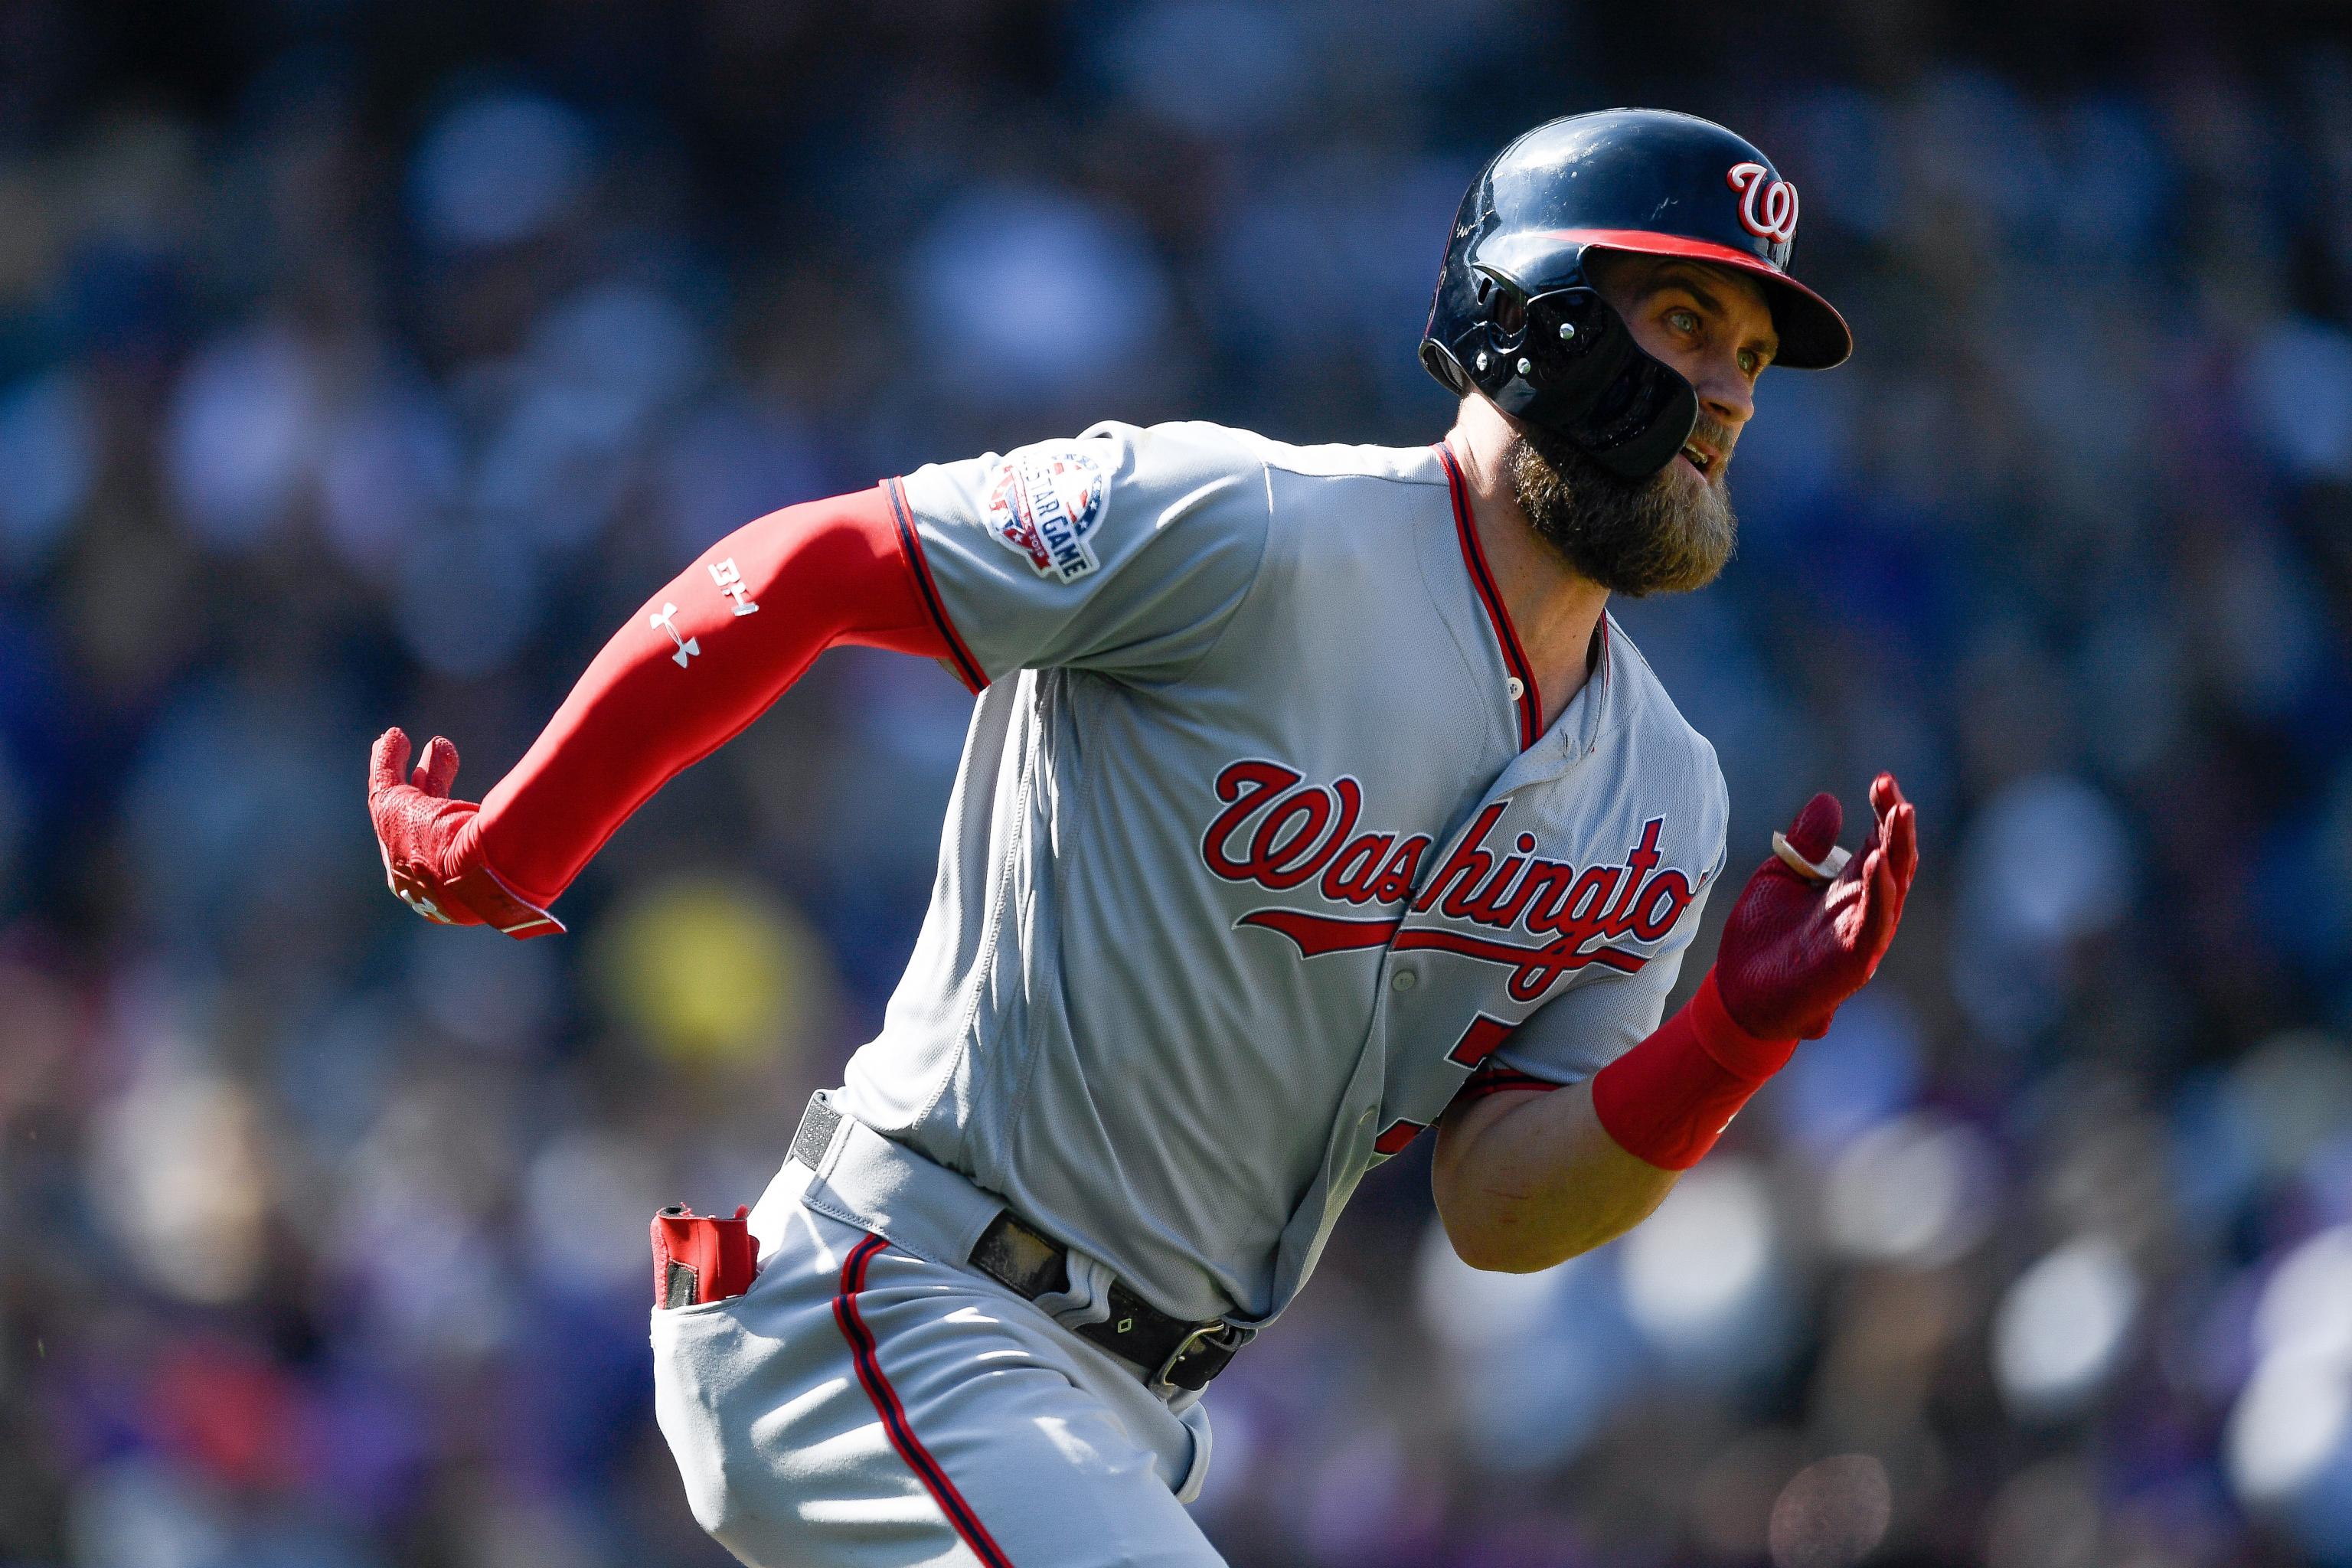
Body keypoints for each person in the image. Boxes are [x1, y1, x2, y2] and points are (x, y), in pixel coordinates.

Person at [368, 108, 1919, 1568]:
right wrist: (521, 832)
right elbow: (827, 555)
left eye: (1759, 357)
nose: (1732, 393)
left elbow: (1501, 1205)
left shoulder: (1668, 789)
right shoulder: (1249, 528)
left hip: (1122, 1415)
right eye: (1690, 325)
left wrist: (1730, 1036)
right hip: (898, 1308)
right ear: (1538, 309)